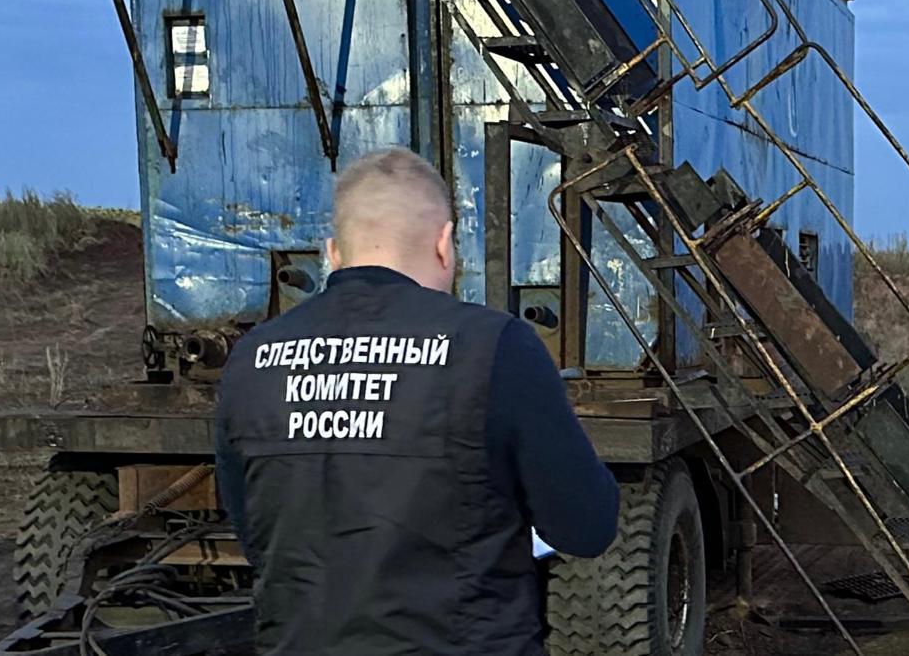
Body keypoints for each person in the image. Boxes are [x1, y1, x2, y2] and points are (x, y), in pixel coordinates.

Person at [216, 147, 619, 656]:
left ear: (333, 252)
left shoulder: (252, 358)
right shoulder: (495, 347)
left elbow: (255, 531)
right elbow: (586, 526)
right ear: (445, 244)